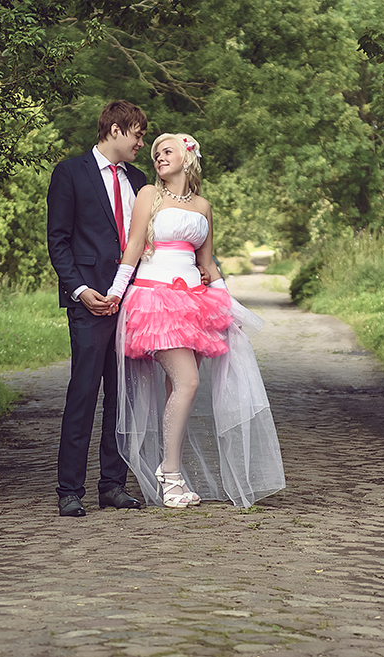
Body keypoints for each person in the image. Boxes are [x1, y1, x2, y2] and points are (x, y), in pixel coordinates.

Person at [103, 133, 285, 508]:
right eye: (155, 153)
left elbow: (207, 263)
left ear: (187, 158)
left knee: (179, 389)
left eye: (166, 151)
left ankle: (173, 474)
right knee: (188, 382)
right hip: (154, 300)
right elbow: (133, 246)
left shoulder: (203, 206)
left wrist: (229, 306)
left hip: (196, 303)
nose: (158, 157)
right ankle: (168, 474)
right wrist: (116, 293)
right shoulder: (148, 195)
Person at [46, 100, 148, 516]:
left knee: (123, 396)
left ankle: (113, 485)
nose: (141, 143)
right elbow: (58, 240)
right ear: (116, 130)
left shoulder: (139, 180)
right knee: (83, 392)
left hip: (132, 301)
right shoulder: (70, 173)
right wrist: (80, 290)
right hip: (89, 302)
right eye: (137, 134)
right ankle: (69, 489)